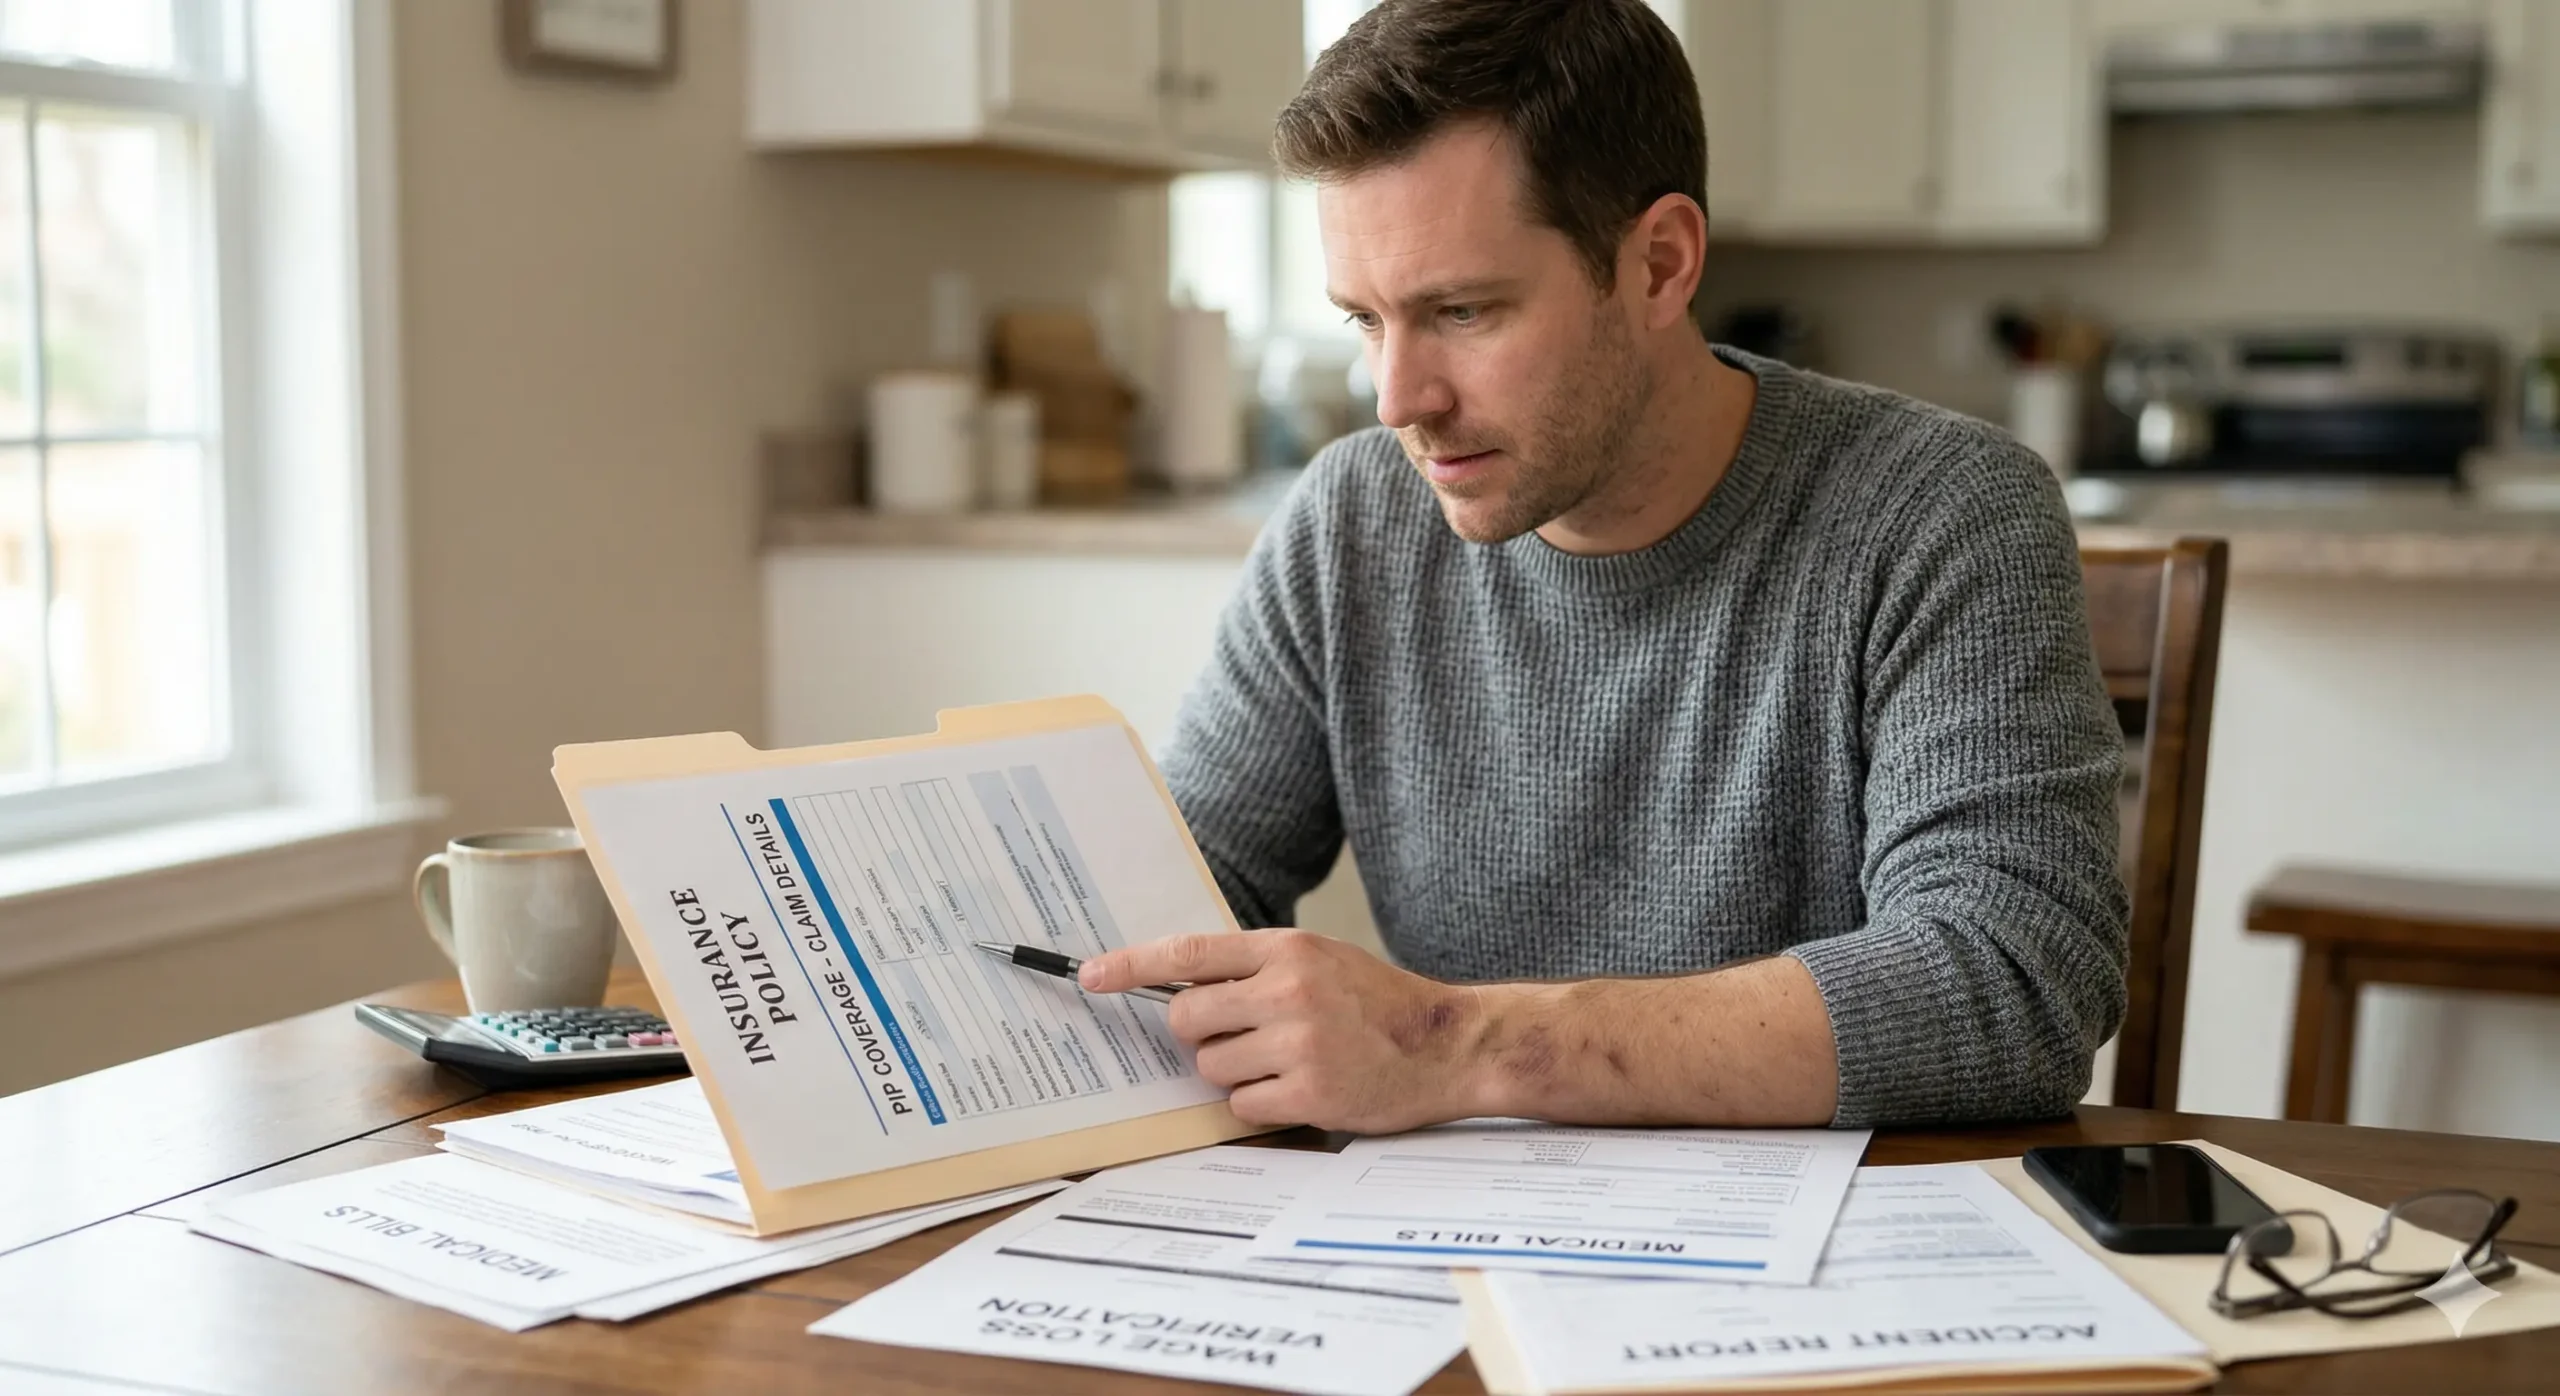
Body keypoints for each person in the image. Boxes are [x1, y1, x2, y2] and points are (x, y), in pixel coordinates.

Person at [1078, 0, 2126, 1134]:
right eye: (1364, 322)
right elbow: (1178, 911)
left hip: (1830, 1261)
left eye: (1463, 310)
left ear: (1659, 265)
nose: (1398, 401)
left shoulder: (1939, 510)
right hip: (1439, 1252)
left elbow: (2012, 982)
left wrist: (1454, 1045)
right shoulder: (1352, 520)